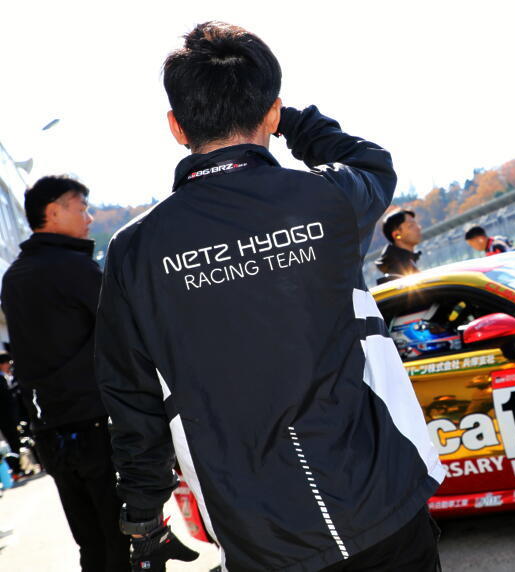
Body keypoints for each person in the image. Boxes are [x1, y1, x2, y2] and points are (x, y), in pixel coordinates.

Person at [95, 21, 444, 571]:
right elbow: (373, 163)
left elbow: (131, 398)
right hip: (382, 503)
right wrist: (294, 121)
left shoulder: (134, 252)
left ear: (176, 126)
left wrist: (143, 515)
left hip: (260, 534)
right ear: (271, 111)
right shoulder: (325, 198)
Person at [0, 176, 130, 571]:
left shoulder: (14, 277)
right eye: (81, 208)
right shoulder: (74, 268)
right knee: (122, 536)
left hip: (50, 429)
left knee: (90, 540)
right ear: (53, 211)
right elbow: (121, 333)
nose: (89, 218)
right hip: (96, 422)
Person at [374, 208, 422, 282]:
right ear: (397, 235)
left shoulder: (404, 262)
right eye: (411, 225)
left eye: (416, 224)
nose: (419, 228)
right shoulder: (400, 271)